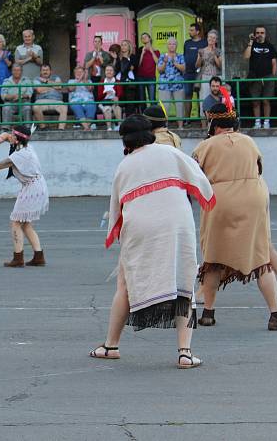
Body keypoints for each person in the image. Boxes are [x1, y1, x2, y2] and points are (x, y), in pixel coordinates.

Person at [92, 114, 214, 368]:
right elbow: (201, 183)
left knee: (126, 282)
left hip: (140, 225)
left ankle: (111, 345)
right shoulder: (171, 153)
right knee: (184, 284)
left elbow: (116, 208)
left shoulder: (125, 165)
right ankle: (185, 353)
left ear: (126, 139)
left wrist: (114, 234)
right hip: (177, 223)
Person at [193, 103, 277, 331]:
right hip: (253, 199)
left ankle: (208, 314)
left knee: (212, 258)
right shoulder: (249, 141)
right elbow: (259, 168)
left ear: (214, 124)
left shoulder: (204, 146)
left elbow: (196, 178)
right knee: (261, 260)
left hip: (220, 201)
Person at [0, 125, 49, 267]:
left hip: (32, 188)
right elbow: (6, 136)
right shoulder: (24, 145)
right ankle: (39, 256)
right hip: (36, 186)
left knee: (16, 222)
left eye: (13, 135)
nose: (10, 136)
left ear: (17, 140)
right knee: (26, 224)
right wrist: (1, 138)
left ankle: (18, 258)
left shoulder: (20, 155)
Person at [243, 26, 277, 129]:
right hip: (254, 77)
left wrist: (272, 76)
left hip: (268, 77)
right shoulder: (252, 44)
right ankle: (257, 122)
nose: (260, 34)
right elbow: (246, 57)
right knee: (255, 101)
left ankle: (266, 122)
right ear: (255, 34)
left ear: (265, 34)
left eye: (262, 32)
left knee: (266, 100)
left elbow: (274, 63)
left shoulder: (270, 46)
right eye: (257, 32)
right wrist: (250, 42)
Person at [157, 37, 186, 129]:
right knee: (164, 107)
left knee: (179, 106)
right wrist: (165, 63)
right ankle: (164, 127)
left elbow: (183, 69)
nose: (171, 46)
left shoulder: (180, 56)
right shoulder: (162, 56)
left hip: (178, 85)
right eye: (170, 44)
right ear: (167, 45)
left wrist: (174, 62)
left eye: (173, 44)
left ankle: (180, 126)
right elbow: (159, 70)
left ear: (176, 45)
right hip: (164, 86)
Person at [195, 30, 222, 124]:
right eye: (210, 37)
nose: (211, 39)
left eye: (213, 38)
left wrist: (214, 54)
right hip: (204, 77)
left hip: (215, 77)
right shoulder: (202, 50)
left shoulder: (218, 51)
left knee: (216, 99)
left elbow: (220, 65)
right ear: (207, 38)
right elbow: (197, 65)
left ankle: (216, 123)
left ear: (216, 40)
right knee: (203, 99)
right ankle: (203, 125)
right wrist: (199, 56)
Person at [182, 23, 207, 121]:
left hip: (200, 73)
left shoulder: (204, 42)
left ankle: (201, 119)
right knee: (187, 95)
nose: (190, 32)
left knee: (200, 96)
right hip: (188, 73)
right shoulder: (187, 43)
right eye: (189, 30)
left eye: (192, 30)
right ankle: (187, 120)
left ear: (197, 31)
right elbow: (184, 56)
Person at [32, 63, 67, 130]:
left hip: (56, 101)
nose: (45, 72)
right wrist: (53, 87)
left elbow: (59, 86)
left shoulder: (56, 77)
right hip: (41, 100)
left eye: (47, 70)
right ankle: (43, 127)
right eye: (43, 70)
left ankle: (61, 129)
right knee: (35, 107)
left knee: (64, 108)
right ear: (40, 71)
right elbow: (39, 90)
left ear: (51, 71)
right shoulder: (36, 79)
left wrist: (46, 81)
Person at [95, 64, 123, 131]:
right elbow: (99, 97)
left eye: (111, 70)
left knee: (117, 108)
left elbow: (120, 93)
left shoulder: (117, 82)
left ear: (114, 72)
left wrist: (117, 97)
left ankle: (119, 126)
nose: (109, 72)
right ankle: (109, 128)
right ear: (105, 72)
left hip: (114, 101)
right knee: (107, 109)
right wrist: (106, 93)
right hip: (104, 101)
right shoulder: (101, 82)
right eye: (107, 70)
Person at [68, 65, 96, 130]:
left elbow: (90, 89)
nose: (78, 73)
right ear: (74, 73)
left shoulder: (89, 81)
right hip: (75, 101)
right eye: (77, 72)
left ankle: (86, 127)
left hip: (88, 100)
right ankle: (87, 127)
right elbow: (71, 89)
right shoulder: (71, 81)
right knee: (76, 106)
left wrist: (84, 80)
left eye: (80, 72)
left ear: (84, 73)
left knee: (91, 106)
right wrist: (79, 79)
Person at [136, 33, 160, 104]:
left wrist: (151, 51)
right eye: (142, 37)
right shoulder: (140, 50)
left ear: (150, 38)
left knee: (152, 99)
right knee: (142, 99)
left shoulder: (156, 51)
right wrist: (142, 54)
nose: (144, 38)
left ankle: (153, 115)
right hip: (141, 77)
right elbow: (138, 65)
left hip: (151, 77)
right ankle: (143, 114)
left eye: (145, 37)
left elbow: (157, 62)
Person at [116, 40, 138, 116]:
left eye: (125, 45)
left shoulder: (133, 57)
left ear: (129, 47)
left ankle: (129, 121)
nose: (123, 46)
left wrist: (125, 67)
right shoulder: (118, 57)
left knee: (130, 103)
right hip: (119, 82)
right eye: (122, 45)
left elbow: (133, 67)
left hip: (130, 83)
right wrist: (127, 67)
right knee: (121, 102)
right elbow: (117, 69)